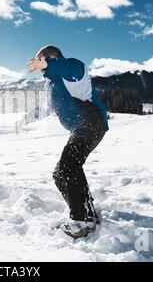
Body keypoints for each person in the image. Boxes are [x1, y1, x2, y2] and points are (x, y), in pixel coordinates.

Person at [27, 45, 109, 239]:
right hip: (81, 128)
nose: (40, 65)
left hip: (91, 123)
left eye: (42, 59)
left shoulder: (72, 71)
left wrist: (49, 64)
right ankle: (86, 210)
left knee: (68, 168)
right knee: (60, 173)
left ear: (53, 57)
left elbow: (71, 67)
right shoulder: (54, 81)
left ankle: (80, 221)